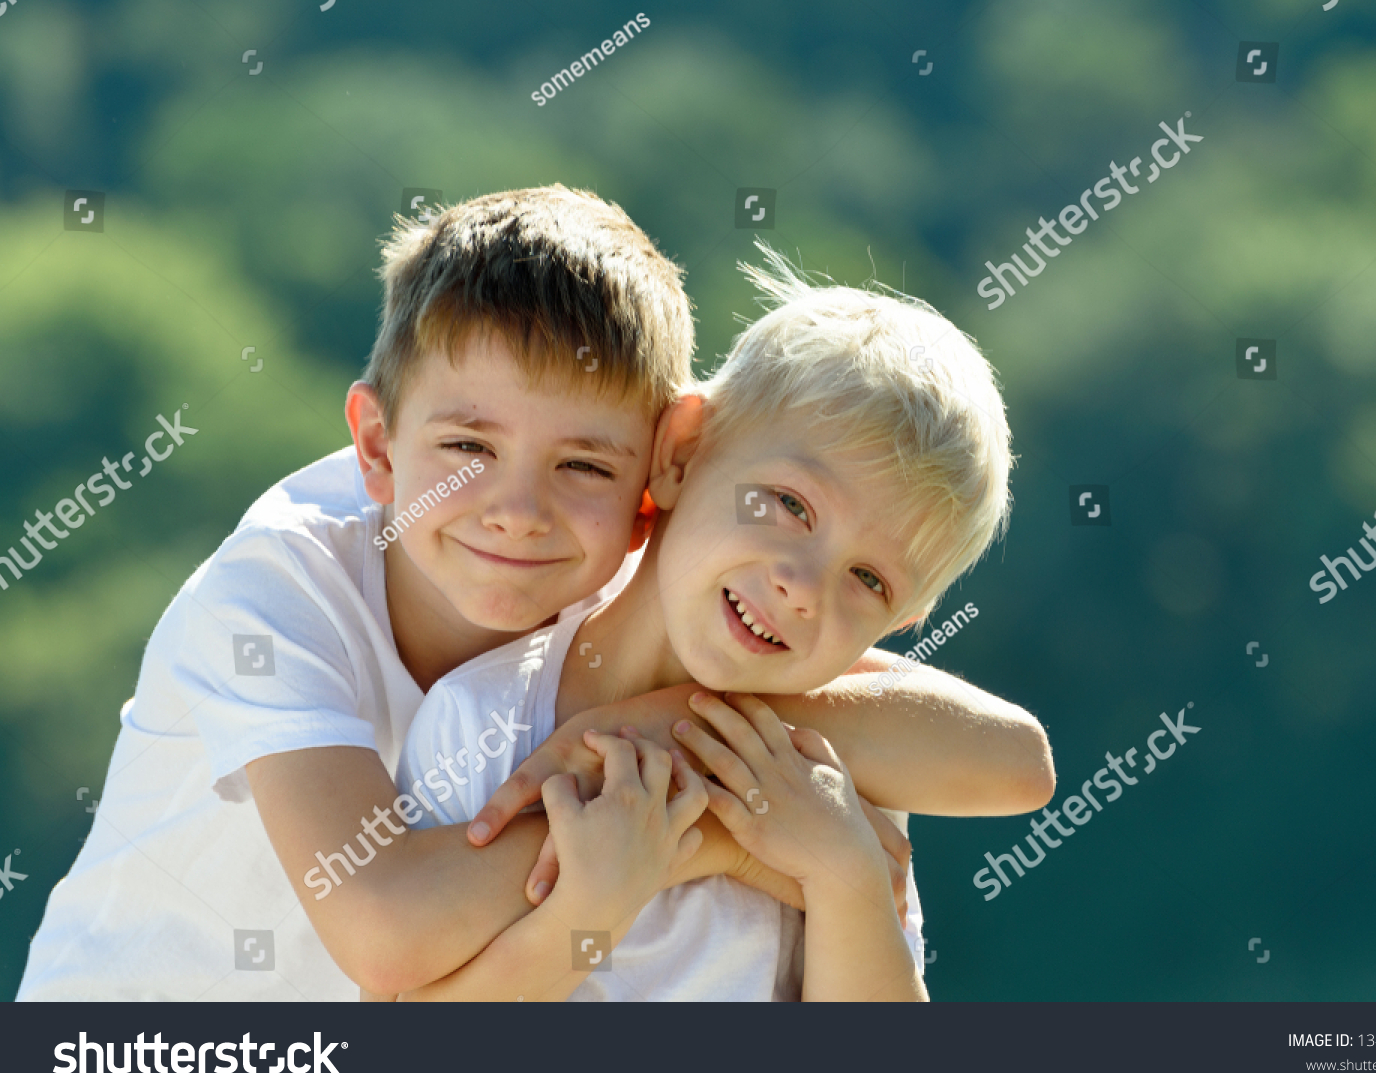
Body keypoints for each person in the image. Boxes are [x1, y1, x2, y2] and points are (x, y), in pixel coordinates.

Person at [18, 188, 1050, 1001]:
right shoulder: (281, 593)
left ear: (655, 471)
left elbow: (1013, 759)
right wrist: (712, 830)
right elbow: (387, 933)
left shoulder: (705, 634)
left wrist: (675, 748)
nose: (517, 512)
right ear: (379, 447)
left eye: (585, 468)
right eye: (468, 448)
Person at [387, 246, 1030, 1000]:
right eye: (790, 505)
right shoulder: (481, 730)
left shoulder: (824, 783)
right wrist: (599, 900)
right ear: (684, 452)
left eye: (868, 580)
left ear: (902, 620)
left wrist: (844, 874)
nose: (802, 590)